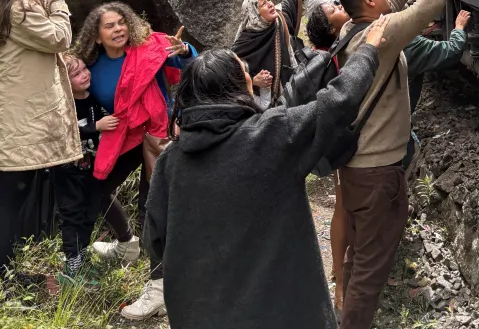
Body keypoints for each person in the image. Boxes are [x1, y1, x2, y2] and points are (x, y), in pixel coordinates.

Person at [144, 20, 390, 329]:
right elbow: (337, 101)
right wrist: (368, 51)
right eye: (245, 72)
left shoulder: (170, 162)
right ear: (238, 87)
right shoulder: (273, 135)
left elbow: (154, 241)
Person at [335, 0, 459, 329]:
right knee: (371, 272)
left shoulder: (356, 30)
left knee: (359, 260)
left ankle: (340, 315)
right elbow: (426, 6)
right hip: (378, 176)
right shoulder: (383, 35)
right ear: (370, 3)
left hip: (356, 171)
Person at [74, 3, 197, 321]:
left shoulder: (149, 48)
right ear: (97, 37)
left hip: (158, 134)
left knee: (151, 208)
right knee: (95, 187)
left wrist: (184, 50)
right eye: (109, 26)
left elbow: (189, 61)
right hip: (125, 134)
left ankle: (159, 289)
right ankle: (126, 244)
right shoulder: (93, 66)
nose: (117, 29)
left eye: (121, 23)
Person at [0, 0, 82, 272]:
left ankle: (8, 271)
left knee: (14, 198)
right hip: (29, 119)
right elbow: (60, 38)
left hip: (31, 116)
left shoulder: (16, 3)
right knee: (13, 198)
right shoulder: (21, 7)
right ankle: (6, 273)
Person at [53, 55, 134, 280]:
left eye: (84, 69)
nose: (84, 74)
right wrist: (96, 126)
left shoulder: (94, 98)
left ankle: (82, 254)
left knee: (89, 211)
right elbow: (63, 132)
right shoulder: (64, 104)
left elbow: (110, 119)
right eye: (76, 74)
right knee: (72, 213)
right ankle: (72, 262)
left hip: (92, 169)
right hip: (68, 171)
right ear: (64, 82)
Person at [233, 0, 341, 107]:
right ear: (254, 13)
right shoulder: (244, 42)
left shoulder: (280, 18)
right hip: (258, 108)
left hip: (291, 96)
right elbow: (231, 76)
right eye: (263, 4)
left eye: (269, 0)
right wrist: (254, 81)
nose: (270, 4)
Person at [306, 0, 351, 316]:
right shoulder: (325, 60)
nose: (337, 4)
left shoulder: (327, 50)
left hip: (334, 143)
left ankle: (339, 272)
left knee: (344, 205)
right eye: (334, 8)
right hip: (338, 144)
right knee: (345, 206)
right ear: (333, 27)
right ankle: (339, 283)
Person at [402, 10, 471, 167]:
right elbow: (452, 50)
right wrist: (459, 27)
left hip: (385, 122)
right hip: (396, 127)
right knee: (408, 159)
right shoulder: (410, 44)